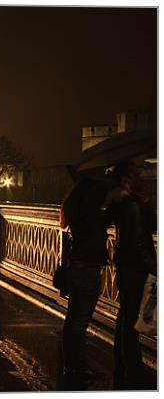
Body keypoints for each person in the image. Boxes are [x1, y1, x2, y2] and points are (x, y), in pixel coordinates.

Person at [60, 176, 115, 385]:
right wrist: (105, 205)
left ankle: (71, 366)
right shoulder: (91, 214)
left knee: (72, 321)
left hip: (76, 267)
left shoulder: (75, 206)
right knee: (79, 323)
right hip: (87, 270)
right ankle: (79, 369)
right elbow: (93, 230)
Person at [110, 161, 157, 389]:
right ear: (127, 179)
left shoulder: (125, 205)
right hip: (135, 270)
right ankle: (132, 370)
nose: (141, 176)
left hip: (127, 268)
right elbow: (137, 242)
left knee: (125, 319)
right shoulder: (132, 207)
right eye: (136, 173)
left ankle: (124, 366)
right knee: (131, 323)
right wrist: (153, 267)